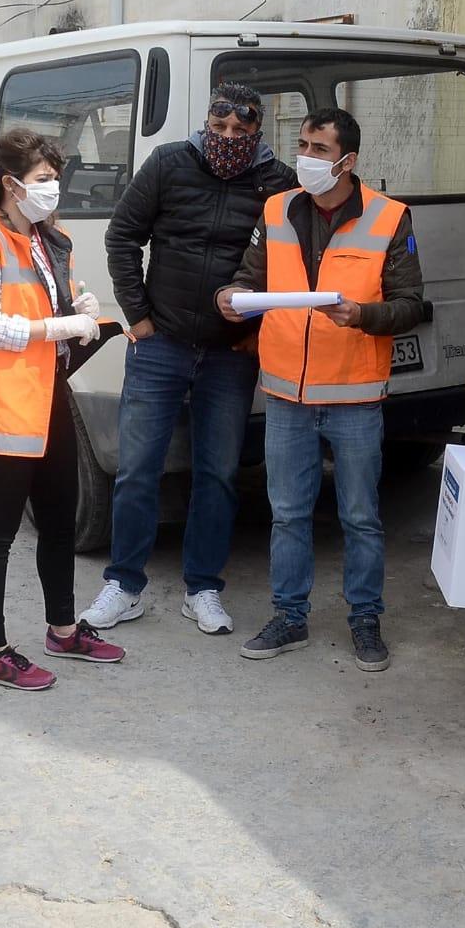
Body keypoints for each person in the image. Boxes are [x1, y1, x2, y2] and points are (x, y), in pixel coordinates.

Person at [83, 82, 297, 636]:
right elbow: (122, 236)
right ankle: (124, 586)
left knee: (219, 474)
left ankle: (203, 588)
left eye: (240, 131)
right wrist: (140, 317)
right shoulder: (169, 163)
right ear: (206, 123)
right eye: (219, 127)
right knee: (136, 471)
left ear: (257, 131)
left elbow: (294, 266)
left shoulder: (277, 182)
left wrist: (259, 332)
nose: (227, 138)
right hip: (162, 343)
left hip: (231, 353)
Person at [216, 108, 426, 672]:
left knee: (360, 515)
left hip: (355, 395)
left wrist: (363, 314)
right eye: (302, 144)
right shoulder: (276, 208)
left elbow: (411, 304)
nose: (305, 157)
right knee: (287, 514)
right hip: (287, 393)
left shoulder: (389, 218)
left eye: (318, 149)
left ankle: (364, 619)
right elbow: (248, 276)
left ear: (347, 161)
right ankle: (290, 616)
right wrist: (230, 298)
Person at [0, 129, 127, 690]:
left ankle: (63, 630)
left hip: (46, 396)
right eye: (43, 180)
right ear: (11, 185)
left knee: (60, 522)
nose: (53, 189)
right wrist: (60, 326)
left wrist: (78, 308)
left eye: (54, 178)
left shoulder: (46, 240)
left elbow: (48, 308)